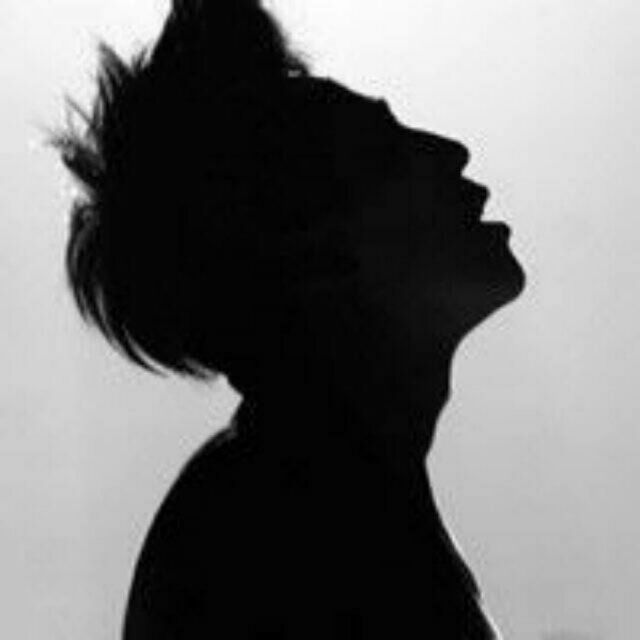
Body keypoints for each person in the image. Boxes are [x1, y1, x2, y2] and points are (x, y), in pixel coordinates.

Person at [52, 0, 526, 637]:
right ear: (313, 254)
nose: (450, 152)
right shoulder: (286, 539)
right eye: (384, 152)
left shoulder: (311, 503)